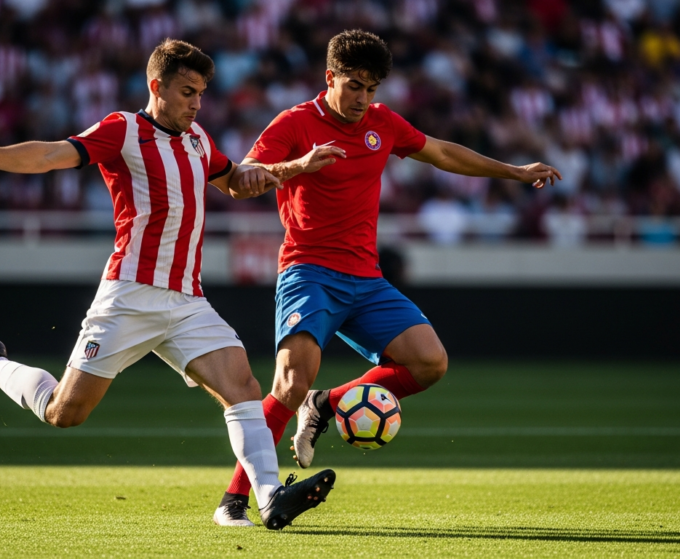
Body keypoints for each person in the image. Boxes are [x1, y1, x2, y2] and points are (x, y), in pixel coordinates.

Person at [0, 39, 334, 531]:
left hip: (187, 299)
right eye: (187, 91)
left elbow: (236, 180)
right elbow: (51, 155)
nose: (196, 103)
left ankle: (269, 496)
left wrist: (295, 167)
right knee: (65, 412)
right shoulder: (123, 129)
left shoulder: (198, 140)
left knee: (244, 388)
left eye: (202, 93)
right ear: (156, 87)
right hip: (129, 295)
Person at [215, 29, 561, 524]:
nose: (363, 98)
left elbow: (442, 153)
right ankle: (233, 501)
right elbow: (241, 181)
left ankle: (327, 404)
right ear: (330, 77)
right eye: (354, 85)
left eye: (372, 88)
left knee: (430, 363)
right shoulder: (296, 123)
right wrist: (299, 165)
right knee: (289, 383)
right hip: (309, 272)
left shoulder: (383, 124)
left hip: (366, 278)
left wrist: (515, 171)